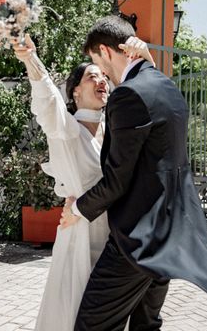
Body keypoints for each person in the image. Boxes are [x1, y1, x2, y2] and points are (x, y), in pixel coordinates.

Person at [60, 16, 207, 331]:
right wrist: (147, 61)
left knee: (93, 325)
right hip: (169, 236)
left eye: (96, 61)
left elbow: (118, 179)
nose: (102, 73)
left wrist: (77, 209)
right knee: (146, 325)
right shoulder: (167, 87)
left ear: (105, 52)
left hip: (136, 242)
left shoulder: (127, 95)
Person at [11, 33, 155, 331]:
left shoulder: (115, 132)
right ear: (75, 91)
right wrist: (30, 59)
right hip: (79, 231)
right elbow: (48, 100)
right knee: (76, 308)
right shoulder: (66, 130)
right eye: (92, 76)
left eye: (104, 76)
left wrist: (147, 62)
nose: (102, 80)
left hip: (117, 234)